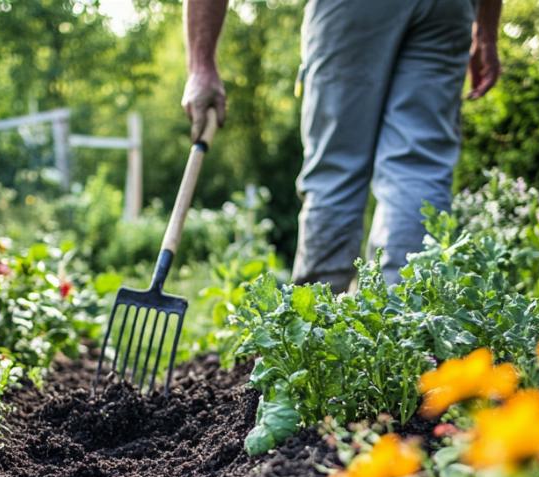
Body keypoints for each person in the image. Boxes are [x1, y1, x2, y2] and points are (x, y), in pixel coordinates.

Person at [182, 0, 502, 289]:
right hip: (448, 11)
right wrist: (486, 32)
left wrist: (201, 66)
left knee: (338, 169)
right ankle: (407, 330)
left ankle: (319, 331)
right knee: (418, 169)